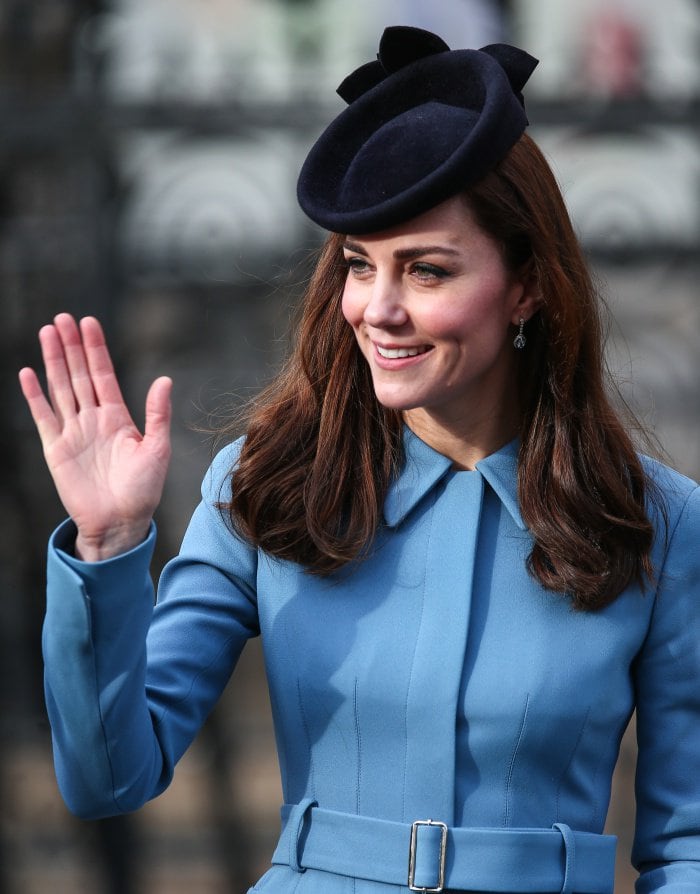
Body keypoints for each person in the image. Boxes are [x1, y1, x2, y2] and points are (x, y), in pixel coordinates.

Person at [18, 25, 700, 894]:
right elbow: (108, 776)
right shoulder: (264, 487)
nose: (378, 309)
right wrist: (108, 549)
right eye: (358, 265)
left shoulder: (659, 523)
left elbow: (689, 846)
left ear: (526, 284)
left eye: (426, 271)